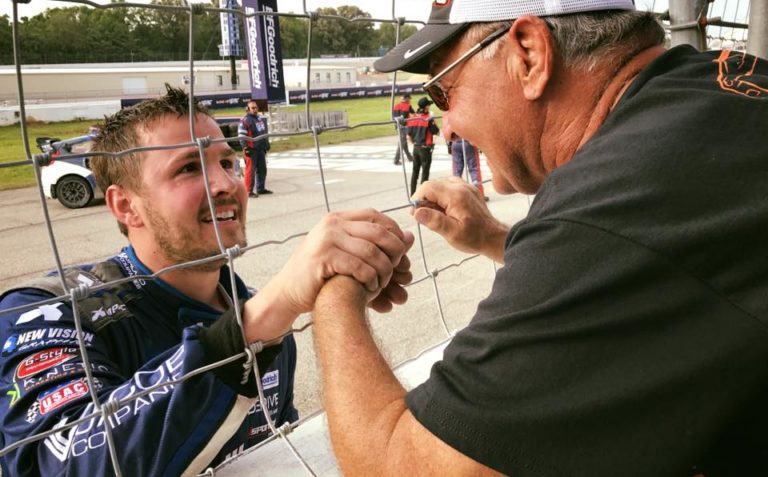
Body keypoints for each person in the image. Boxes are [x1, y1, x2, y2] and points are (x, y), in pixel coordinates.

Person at [311, 0, 768, 475]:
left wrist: (336, 287)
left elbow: (402, 466)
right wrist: (493, 237)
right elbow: (658, 265)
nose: (446, 125)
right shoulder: (716, 85)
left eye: (444, 92)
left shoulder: (613, 198)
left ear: (528, 55)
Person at [0, 86, 413, 476]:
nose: (227, 184)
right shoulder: (47, 310)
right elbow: (55, 463)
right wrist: (264, 317)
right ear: (126, 205)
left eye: (227, 162)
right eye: (188, 168)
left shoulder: (253, 311)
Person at [238, 100, 271, 197]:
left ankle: (260, 188)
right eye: (253, 108)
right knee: (250, 171)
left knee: (262, 170)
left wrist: (266, 143)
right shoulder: (245, 120)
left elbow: (262, 132)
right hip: (251, 150)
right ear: (247, 109)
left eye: (256, 107)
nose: (255, 109)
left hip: (260, 149)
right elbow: (241, 135)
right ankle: (248, 191)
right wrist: (245, 147)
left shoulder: (259, 118)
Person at [407, 97, 440, 195]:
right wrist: (433, 120)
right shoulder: (428, 119)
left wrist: (415, 143)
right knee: (425, 174)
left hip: (416, 148)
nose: (429, 107)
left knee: (415, 173)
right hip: (425, 149)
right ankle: (422, 196)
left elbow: (408, 136)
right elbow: (437, 132)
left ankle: (412, 194)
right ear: (426, 107)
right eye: (429, 105)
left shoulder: (413, 117)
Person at [448, 135, 486, 200]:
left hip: (455, 142)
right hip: (468, 142)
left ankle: (456, 195)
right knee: (474, 168)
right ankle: (479, 194)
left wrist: (449, 145)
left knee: (457, 171)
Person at [392, 93, 415, 165]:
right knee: (402, 144)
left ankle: (410, 157)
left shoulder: (396, 106)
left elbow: (394, 117)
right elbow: (414, 114)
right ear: (407, 99)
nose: (410, 100)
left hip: (397, 126)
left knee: (404, 143)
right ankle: (396, 160)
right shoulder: (408, 106)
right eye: (409, 99)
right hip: (404, 127)